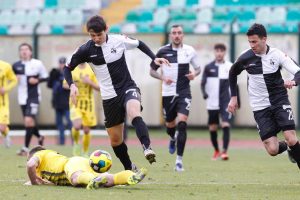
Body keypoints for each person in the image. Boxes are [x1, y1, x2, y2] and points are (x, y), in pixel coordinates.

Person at [63, 15, 169, 169]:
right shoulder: (85, 50)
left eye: (99, 35)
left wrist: (154, 58)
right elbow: (67, 68)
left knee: (134, 112)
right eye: (93, 36)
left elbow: (139, 44)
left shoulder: (119, 40)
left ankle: (147, 148)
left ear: (107, 29)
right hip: (108, 96)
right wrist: (72, 85)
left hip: (127, 87)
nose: (97, 38)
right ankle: (129, 168)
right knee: (115, 140)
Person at [227, 23, 300, 169]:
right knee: (272, 150)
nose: (252, 45)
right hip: (259, 105)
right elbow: (232, 73)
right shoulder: (245, 58)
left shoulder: (277, 55)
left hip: (279, 100)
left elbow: (298, 72)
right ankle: (290, 148)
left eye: (254, 41)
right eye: (249, 42)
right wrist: (233, 97)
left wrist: (293, 82)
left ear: (264, 39)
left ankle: (294, 148)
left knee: (291, 137)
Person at [149, 24, 201, 171]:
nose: (177, 35)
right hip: (168, 94)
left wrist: (194, 74)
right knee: (170, 125)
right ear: (170, 35)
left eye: (179, 33)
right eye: (174, 33)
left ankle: (179, 161)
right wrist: (162, 77)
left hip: (184, 92)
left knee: (182, 123)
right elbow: (151, 71)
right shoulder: (162, 51)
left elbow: (198, 68)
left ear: (183, 35)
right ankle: (172, 138)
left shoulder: (190, 51)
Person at [26, 145, 147, 189]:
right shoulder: (43, 170)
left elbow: (30, 165)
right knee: (110, 180)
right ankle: (131, 176)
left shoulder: (40, 154)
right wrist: (34, 181)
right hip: (81, 163)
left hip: (71, 164)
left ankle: (92, 180)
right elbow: (44, 181)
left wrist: (34, 182)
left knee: (75, 178)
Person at [12, 43, 48, 156]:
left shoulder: (37, 64)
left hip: (34, 97)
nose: (24, 51)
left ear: (30, 52)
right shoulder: (16, 66)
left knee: (28, 121)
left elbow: (46, 76)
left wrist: (37, 80)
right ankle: (39, 136)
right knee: (29, 122)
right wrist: (14, 78)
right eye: (22, 49)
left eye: (26, 49)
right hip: (22, 97)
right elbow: (10, 79)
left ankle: (25, 148)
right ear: (19, 52)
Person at [201, 43, 232, 161]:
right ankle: (216, 150)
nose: (219, 53)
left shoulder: (230, 66)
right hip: (212, 102)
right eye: (217, 51)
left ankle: (224, 152)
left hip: (225, 101)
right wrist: (204, 93)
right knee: (213, 128)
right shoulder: (208, 67)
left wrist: (237, 99)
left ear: (224, 53)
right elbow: (203, 82)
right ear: (214, 52)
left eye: (221, 51)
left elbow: (235, 84)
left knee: (225, 124)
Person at [63, 63, 99, 157]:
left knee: (87, 130)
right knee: (77, 125)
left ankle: (85, 152)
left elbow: (99, 88)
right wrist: (73, 85)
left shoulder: (91, 70)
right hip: (75, 102)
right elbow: (64, 84)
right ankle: (76, 144)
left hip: (88, 104)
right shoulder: (72, 69)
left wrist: (89, 82)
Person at [47, 57, 72, 145]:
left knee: (70, 123)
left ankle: (74, 142)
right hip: (57, 103)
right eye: (60, 63)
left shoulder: (69, 73)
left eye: (63, 63)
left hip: (67, 103)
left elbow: (72, 86)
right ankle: (61, 143)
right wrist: (52, 76)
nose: (61, 65)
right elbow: (49, 85)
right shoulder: (56, 73)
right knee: (59, 124)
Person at [0, 60, 18, 147]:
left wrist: (6, 89)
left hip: (2, 103)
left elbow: (14, 80)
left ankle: (6, 135)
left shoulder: (5, 66)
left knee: (2, 127)